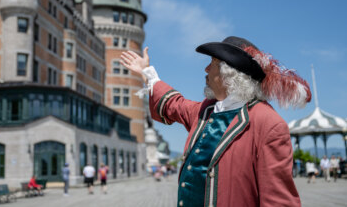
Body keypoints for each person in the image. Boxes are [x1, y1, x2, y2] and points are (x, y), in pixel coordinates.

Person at [121, 36, 312, 207]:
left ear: (228, 73)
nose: (206, 69)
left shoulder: (268, 124)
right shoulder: (206, 110)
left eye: (212, 62)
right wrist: (146, 72)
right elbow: (174, 104)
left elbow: (279, 201)